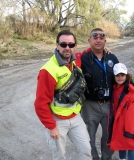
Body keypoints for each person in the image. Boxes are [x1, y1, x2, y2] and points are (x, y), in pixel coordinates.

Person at [34, 30, 92, 160]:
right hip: (57, 120)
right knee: (59, 156)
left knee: (86, 150)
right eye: (63, 44)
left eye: (71, 45)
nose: (67, 48)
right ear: (57, 45)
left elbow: (83, 54)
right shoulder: (48, 71)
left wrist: (102, 48)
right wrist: (51, 126)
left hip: (76, 118)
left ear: (75, 46)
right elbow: (40, 103)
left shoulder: (75, 62)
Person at [80, 28, 119, 160]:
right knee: (88, 138)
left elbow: (121, 79)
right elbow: (66, 56)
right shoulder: (83, 58)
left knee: (109, 136)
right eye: (94, 37)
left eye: (101, 37)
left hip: (109, 104)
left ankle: (106, 158)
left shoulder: (112, 58)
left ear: (105, 41)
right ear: (89, 40)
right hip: (89, 106)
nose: (98, 40)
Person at [107, 63, 134, 160]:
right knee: (122, 144)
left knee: (131, 146)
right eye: (117, 75)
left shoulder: (133, 93)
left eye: (122, 75)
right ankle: (122, 158)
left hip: (130, 126)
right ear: (114, 76)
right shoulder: (114, 88)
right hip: (119, 123)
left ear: (126, 76)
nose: (120, 78)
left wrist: (130, 131)